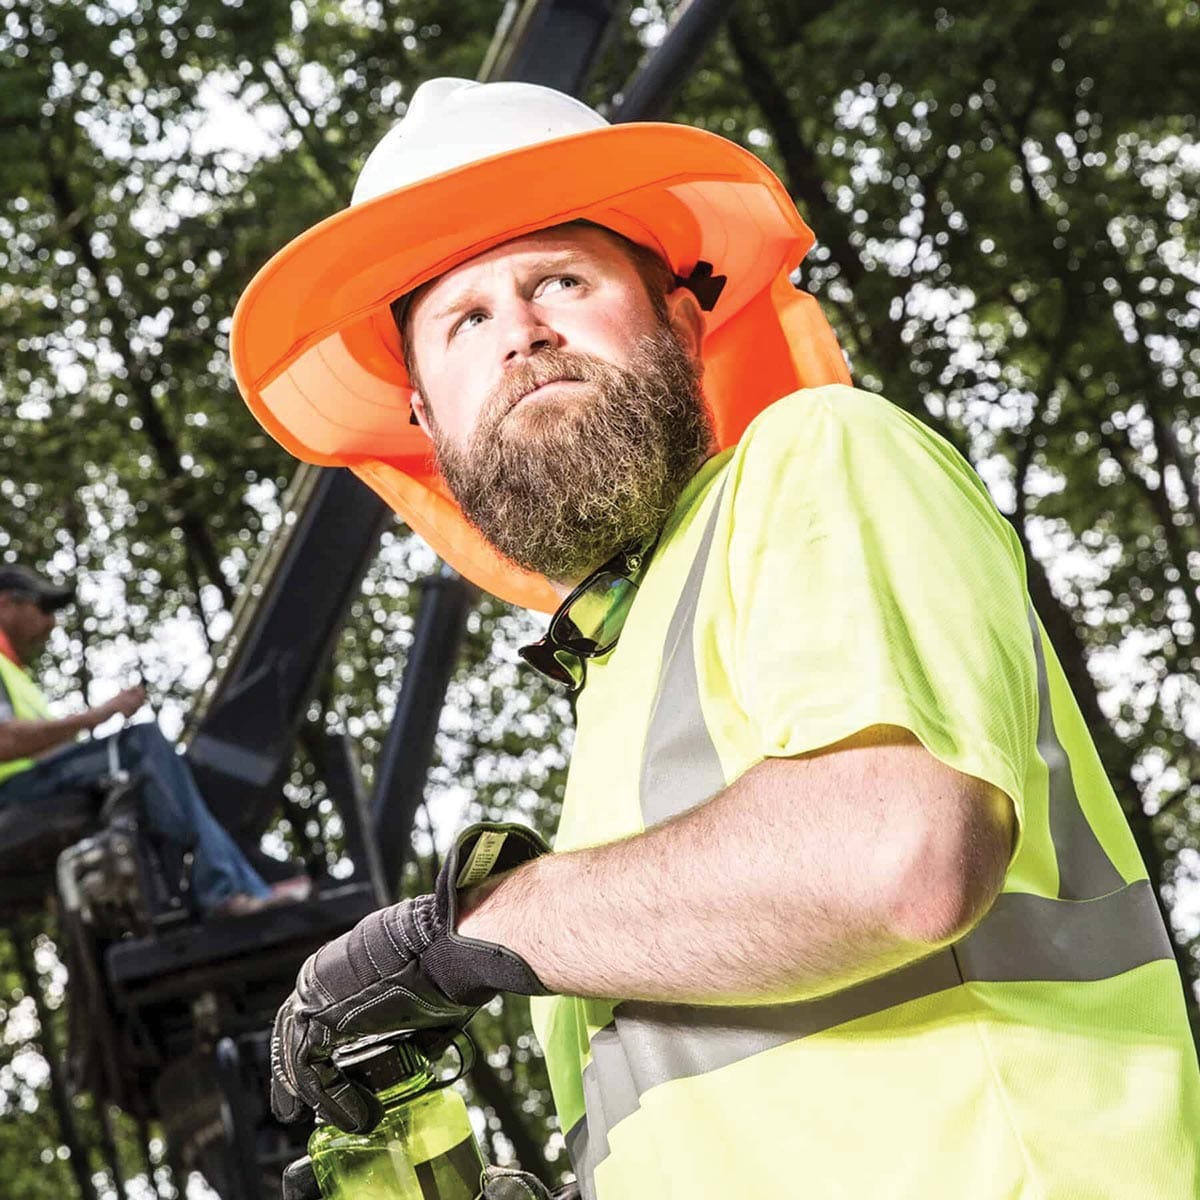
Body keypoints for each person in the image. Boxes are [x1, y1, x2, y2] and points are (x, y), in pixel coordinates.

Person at [232, 79, 1200, 1199]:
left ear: (681, 323)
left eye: (561, 279)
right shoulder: (614, 692)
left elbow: (898, 852)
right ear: (426, 422)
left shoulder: (819, 454)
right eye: (466, 320)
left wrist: (466, 930)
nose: (524, 335)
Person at [0, 563, 307, 918]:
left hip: (32, 782)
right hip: (14, 792)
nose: (51, 622)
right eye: (44, 608)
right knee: (140, 745)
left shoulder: (14, 672)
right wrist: (103, 713)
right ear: (7, 603)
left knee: (160, 773)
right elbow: (5, 741)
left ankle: (230, 882)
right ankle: (221, 889)